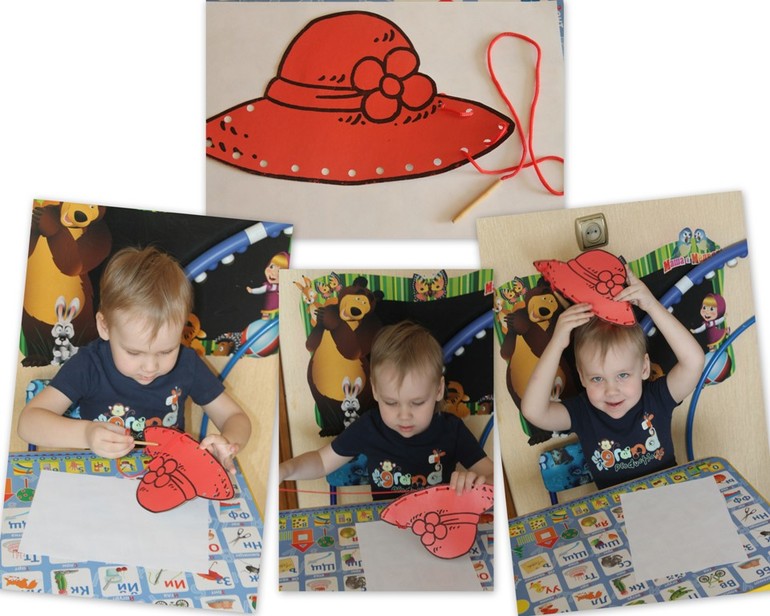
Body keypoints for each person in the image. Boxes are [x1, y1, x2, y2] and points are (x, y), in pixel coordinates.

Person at [18, 246, 251, 473]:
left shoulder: (187, 364)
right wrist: (86, 434)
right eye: (134, 352)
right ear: (105, 327)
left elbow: (235, 417)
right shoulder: (89, 365)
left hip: (167, 477)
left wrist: (228, 442)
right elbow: (28, 423)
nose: (150, 367)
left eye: (166, 351)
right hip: (101, 481)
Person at [521, 267, 704, 489]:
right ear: (582, 376)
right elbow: (533, 411)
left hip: (669, 501)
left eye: (623, 375)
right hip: (616, 509)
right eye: (597, 379)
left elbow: (694, 361)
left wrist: (652, 306)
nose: (611, 391)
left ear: (644, 368)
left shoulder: (657, 399)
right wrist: (557, 343)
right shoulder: (583, 412)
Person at [279, 321, 493, 498]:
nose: (404, 415)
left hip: (437, 525)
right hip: (385, 528)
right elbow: (321, 462)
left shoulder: (452, 430)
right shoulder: (368, 427)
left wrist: (478, 483)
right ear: (375, 391)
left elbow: (493, 477)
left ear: (439, 390)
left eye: (418, 402)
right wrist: (286, 470)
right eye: (391, 402)